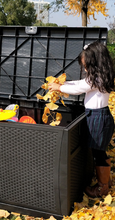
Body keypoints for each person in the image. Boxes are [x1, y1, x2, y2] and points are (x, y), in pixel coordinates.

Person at [48, 41, 115, 198]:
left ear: (95, 63)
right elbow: (80, 83)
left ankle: (102, 187)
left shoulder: (96, 79)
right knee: (100, 151)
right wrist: (64, 83)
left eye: (86, 67)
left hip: (99, 118)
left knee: (99, 152)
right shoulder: (99, 76)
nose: (85, 70)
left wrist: (60, 88)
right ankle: (106, 181)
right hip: (98, 116)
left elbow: (79, 88)